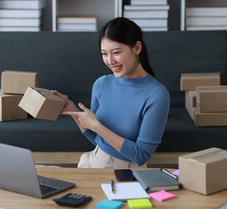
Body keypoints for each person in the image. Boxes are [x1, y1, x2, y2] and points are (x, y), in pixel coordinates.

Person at [52, 17, 170, 168]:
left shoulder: (157, 95)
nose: (110, 60)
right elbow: (97, 139)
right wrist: (73, 111)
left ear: (137, 48)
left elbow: (141, 155)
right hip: (95, 159)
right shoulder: (101, 84)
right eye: (104, 54)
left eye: (116, 52)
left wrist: (97, 126)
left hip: (127, 173)